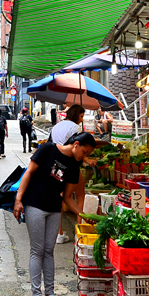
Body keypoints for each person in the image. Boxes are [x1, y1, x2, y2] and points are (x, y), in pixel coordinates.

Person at [14, 132, 97, 296]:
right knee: (37, 250)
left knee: (49, 250)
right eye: (85, 152)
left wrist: (82, 214)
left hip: (54, 209)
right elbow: (29, 172)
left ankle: (50, 294)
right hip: (35, 204)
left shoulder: (74, 166)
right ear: (76, 144)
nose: (85, 156)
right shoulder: (48, 149)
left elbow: (67, 197)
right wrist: (18, 200)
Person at [49, 104, 85, 243]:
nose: (81, 119)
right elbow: (76, 148)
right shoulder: (75, 128)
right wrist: (86, 158)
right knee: (80, 195)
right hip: (71, 163)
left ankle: (59, 233)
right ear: (76, 115)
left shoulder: (57, 126)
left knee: (60, 197)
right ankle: (79, 231)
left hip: (57, 165)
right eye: (81, 116)